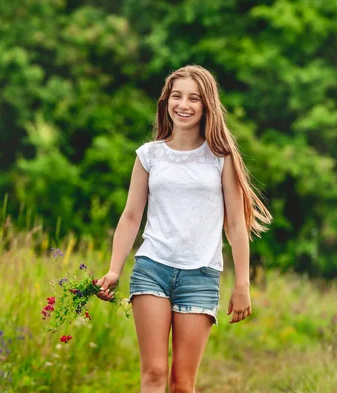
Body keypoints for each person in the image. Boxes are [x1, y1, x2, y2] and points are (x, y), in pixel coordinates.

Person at [95, 65, 272, 393]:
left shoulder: (221, 157)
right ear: (166, 101)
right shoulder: (149, 155)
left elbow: (235, 224)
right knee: (154, 374)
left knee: (181, 384)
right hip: (152, 270)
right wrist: (114, 270)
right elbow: (131, 216)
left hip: (201, 276)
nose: (184, 104)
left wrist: (242, 284)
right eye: (177, 96)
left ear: (207, 106)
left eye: (194, 98)